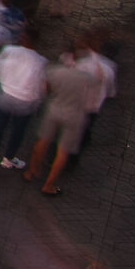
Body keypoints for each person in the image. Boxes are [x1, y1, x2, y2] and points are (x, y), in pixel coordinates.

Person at [26, 41, 104, 195]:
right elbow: (99, 82)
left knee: (43, 142)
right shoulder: (86, 78)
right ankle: (49, 185)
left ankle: (32, 172)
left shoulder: (55, 71)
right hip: (75, 115)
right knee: (63, 151)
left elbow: (47, 90)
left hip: (55, 109)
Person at [0, 28, 47, 170]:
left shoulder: (9, 50)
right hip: (26, 100)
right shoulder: (41, 61)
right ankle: (8, 159)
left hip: (6, 95)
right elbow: (41, 86)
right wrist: (38, 102)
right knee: (18, 130)